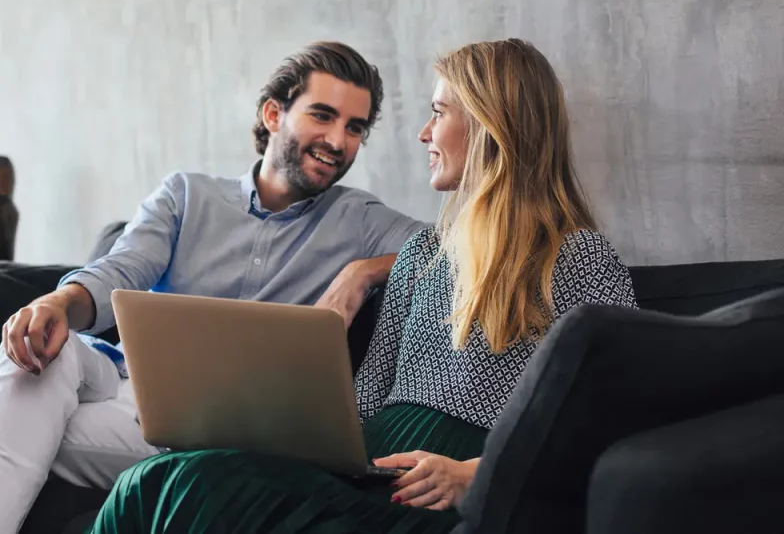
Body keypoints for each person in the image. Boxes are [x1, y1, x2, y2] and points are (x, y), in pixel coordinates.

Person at [90, 38, 639, 533]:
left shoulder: (577, 257)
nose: (424, 133)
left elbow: (613, 420)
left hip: (452, 485)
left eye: (438, 113)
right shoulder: (423, 255)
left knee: (184, 486)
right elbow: (364, 404)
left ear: (491, 124)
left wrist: (478, 472)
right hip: (370, 469)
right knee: (156, 478)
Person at [0, 41, 429, 534]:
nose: (339, 141)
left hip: (209, 429)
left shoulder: (358, 220)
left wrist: (362, 272)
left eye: (355, 127)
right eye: (323, 115)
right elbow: (123, 268)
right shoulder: (188, 195)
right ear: (274, 115)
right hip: (121, 381)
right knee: (39, 354)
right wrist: (56, 301)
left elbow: (461, 246)